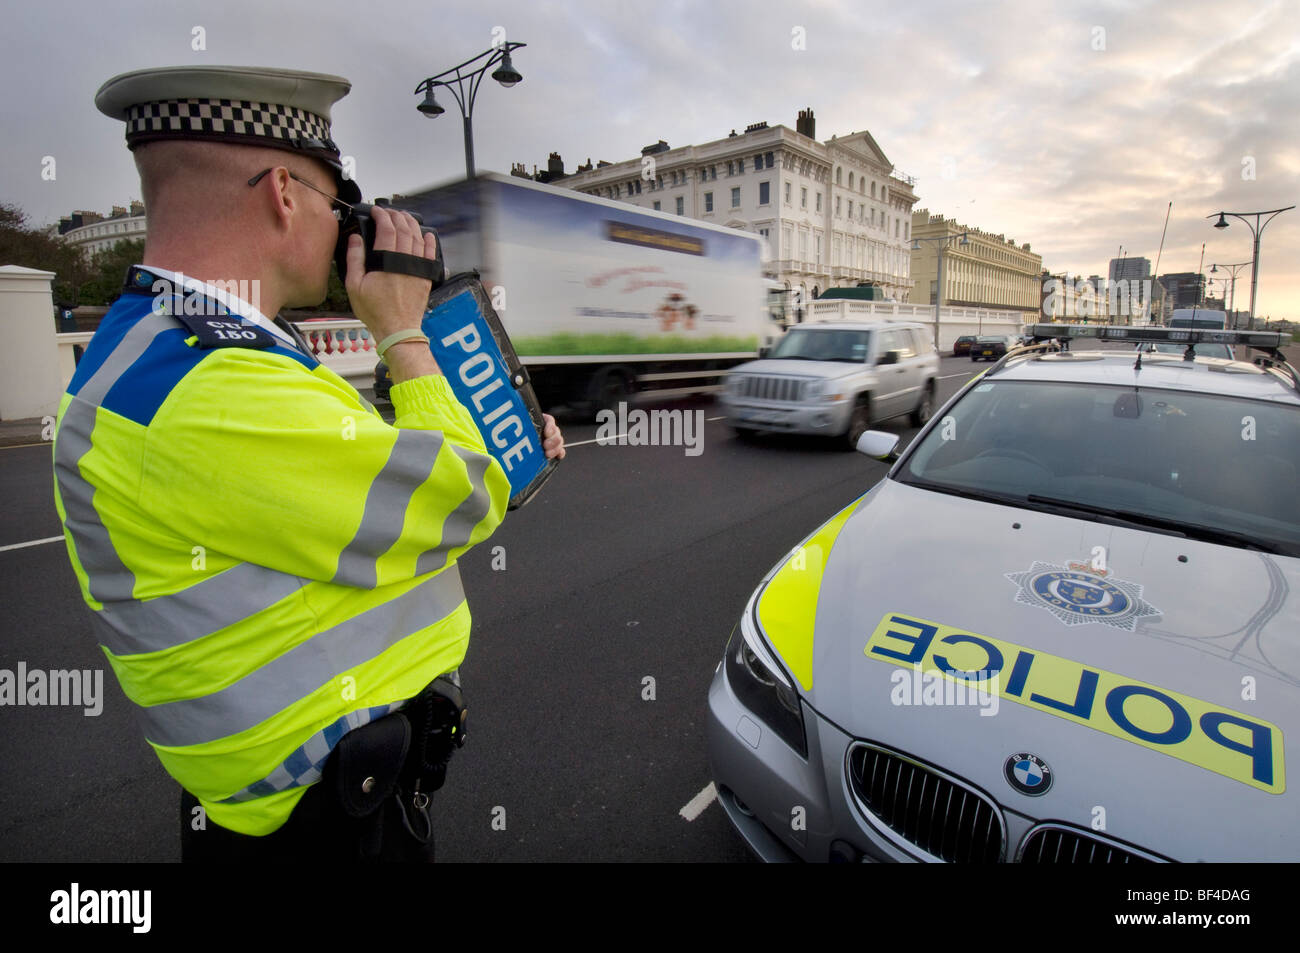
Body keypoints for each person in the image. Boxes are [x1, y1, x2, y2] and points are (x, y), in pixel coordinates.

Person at [52, 65, 564, 862]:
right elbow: (458, 497)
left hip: (315, 804)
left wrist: (500, 443)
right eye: (339, 203)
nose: (345, 228)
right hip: (324, 831)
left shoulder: (169, 348)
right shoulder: (211, 386)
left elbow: (363, 473)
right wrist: (401, 331)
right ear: (284, 193)